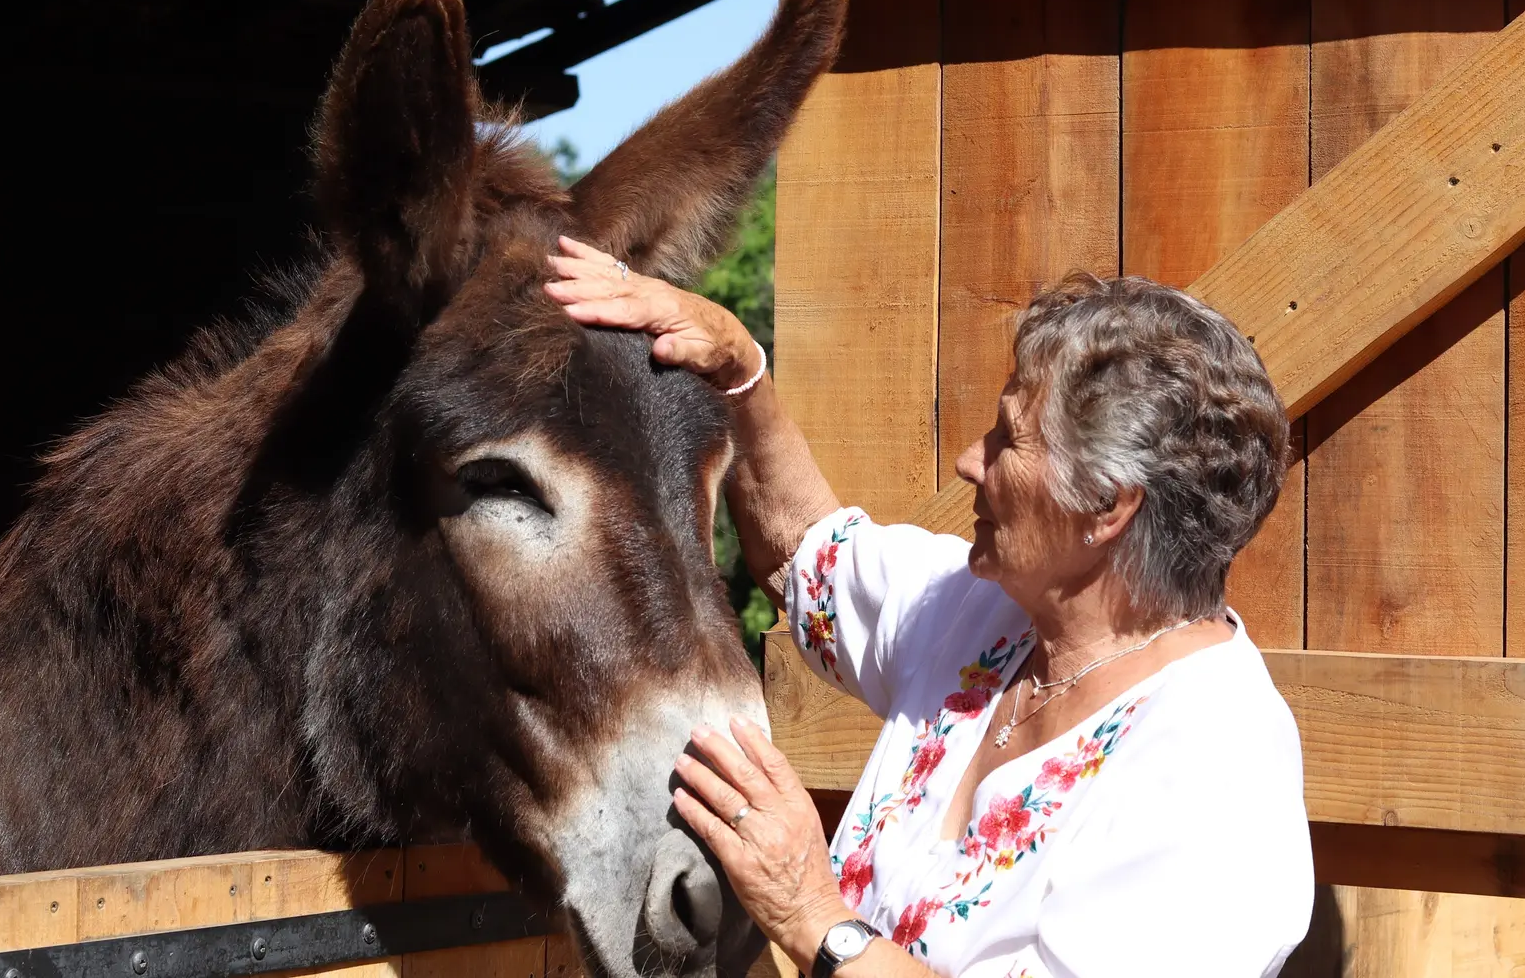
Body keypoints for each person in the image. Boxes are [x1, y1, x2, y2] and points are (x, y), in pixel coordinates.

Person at [546, 237, 1314, 977]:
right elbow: (801, 556)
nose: (969, 462)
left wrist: (815, 917)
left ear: (1107, 507)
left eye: (1008, 439)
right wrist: (738, 372)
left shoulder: (1217, 758)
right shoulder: (988, 617)